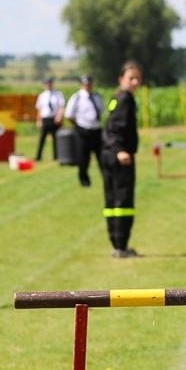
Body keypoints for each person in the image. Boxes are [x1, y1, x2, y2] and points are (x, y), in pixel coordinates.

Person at [102, 62, 142, 258]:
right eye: (131, 78)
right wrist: (120, 150)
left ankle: (116, 244)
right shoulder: (126, 99)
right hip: (120, 156)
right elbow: (115, 128)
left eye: (137, 78)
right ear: (121, 79)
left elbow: (108, 127)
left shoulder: (116, 97)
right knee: (122, 201)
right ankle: (121, 245)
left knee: (111, 202)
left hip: (108, 154)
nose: (135, 82)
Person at [63, 74, 104, 187]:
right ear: (81, 85)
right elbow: (69, 114)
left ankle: (106, 179)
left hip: (96, 130)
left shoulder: (97, 96)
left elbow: (103, 111)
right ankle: (84, 180)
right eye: (85, 84)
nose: (87, 86)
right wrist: (78, 126)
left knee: (102, 157)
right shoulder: (76, 97)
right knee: (83, 158)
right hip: (83, 131)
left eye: (89, 84)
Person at [34, 76, 65, 162]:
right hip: (45, 119)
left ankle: (57, 156)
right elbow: (39, 109)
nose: (49, 85)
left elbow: (61, 106)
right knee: (42, 138)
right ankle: (38, 156)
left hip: (54, 119)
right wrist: (38, 120)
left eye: (50, 83)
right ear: (44, 85)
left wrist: (59, 116)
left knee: (56, 139)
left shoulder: (58, 94)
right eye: (47, 84)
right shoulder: (42, 95)